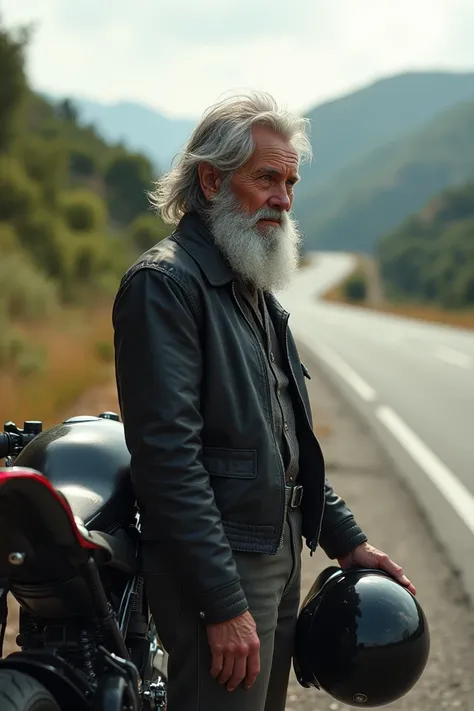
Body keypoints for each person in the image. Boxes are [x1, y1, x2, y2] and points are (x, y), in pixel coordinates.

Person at [112, 91, 415, 711]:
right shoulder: (165, 287)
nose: (282, 198)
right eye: (266, 178)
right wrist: (222, 601)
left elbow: (286, 446)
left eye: (291, 181)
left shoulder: (255, 297)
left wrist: (347, 540)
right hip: (219, 566)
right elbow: (168, 460)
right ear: (211, 179)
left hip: (274, 556)